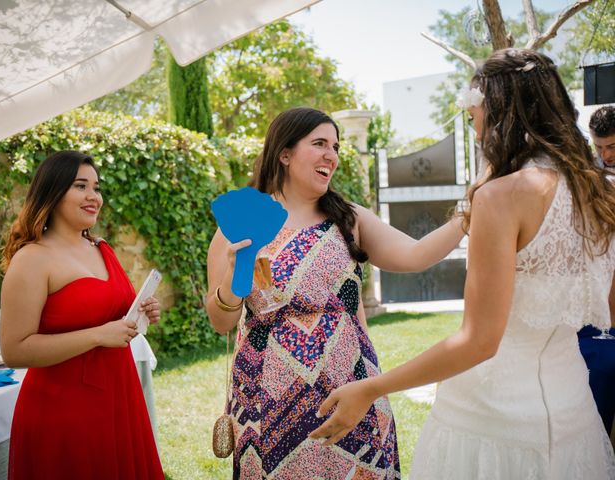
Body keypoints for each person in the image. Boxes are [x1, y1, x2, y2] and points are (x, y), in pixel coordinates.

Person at [310, 49, 615, 479]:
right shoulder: (601, 193)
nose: (473, 126)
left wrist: (372, 388)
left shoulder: (502, 197)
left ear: (497, 108)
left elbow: (479, 341)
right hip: (574, 415)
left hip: (490, 423)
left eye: (475, 113)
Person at [206, 107, 465, 479]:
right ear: (285, 153)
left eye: (337, 146)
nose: (332, 155)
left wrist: (469, 214)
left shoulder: (349, 218)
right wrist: (233, 279)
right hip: (267, 394)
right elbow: (221, 322)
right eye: (319, 144)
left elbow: (416, 255)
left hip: (352, 384)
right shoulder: (241, 220)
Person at [0, 151, 164, 479]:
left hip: (120, 398)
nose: (94, 197)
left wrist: (144, 310)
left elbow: (116, 313)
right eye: (80, 186)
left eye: (97, 188)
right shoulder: (33, 259)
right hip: (64, 411)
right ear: (53, 191)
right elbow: (14, 350)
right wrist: (97, 336)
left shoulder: (102, 249)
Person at [577, 105, 615, 441]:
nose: (604, 155)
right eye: (598, 147)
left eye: (612, 147)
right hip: (596, 323)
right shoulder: (591, 181)